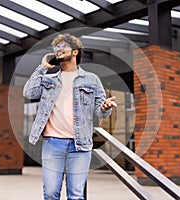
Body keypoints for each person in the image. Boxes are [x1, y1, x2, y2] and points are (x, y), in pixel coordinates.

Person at [23, 33, 117, 200]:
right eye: (55, 48)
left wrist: (105, 107)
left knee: (76, 195)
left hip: (80, 146)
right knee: (51, 193)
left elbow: (100, 111)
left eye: (62, 47)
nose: (57, 51)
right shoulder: (48, 79)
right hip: (53, 143)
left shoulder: (91, 79)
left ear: (75, 51)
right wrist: (42, 67)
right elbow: (29, 92)